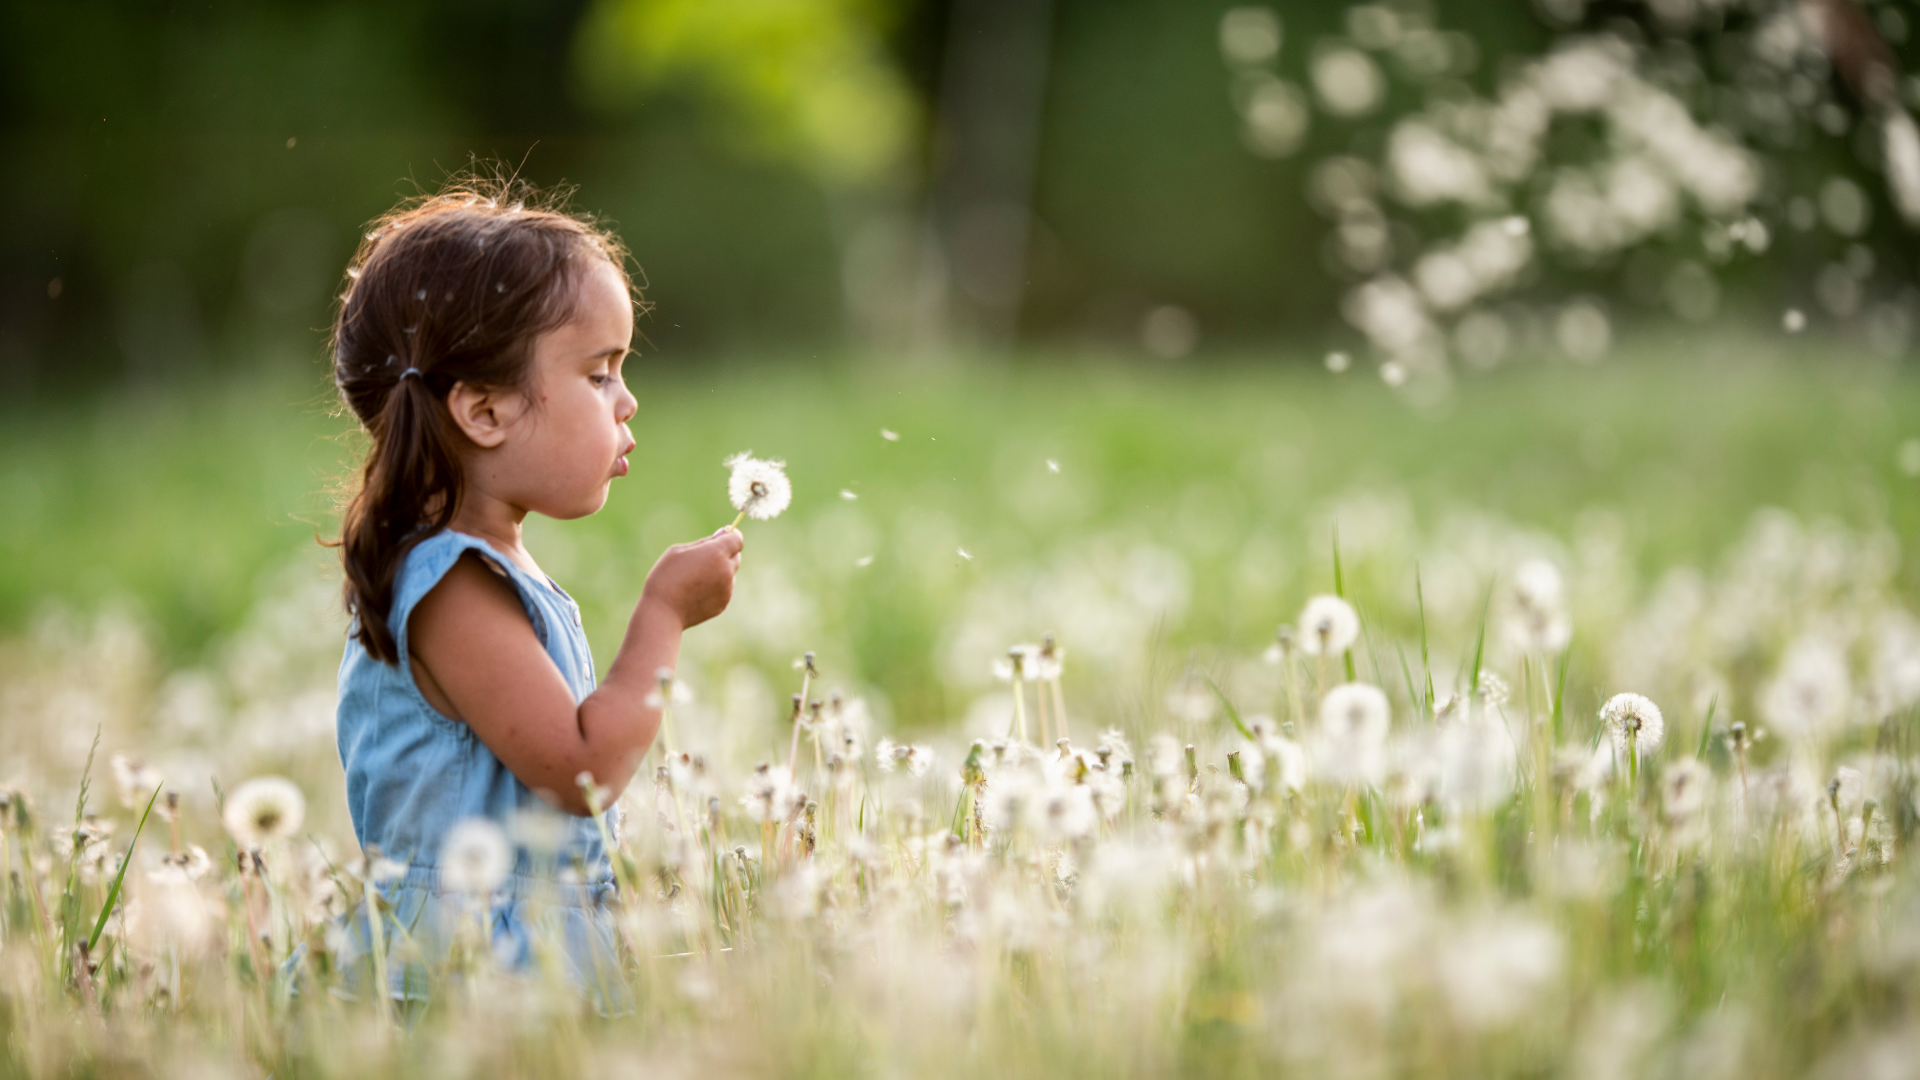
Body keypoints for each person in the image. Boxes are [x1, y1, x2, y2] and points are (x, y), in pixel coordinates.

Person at [310, 177, 741, 1009]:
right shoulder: (452, 589)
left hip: (519, 967)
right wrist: (662, 614)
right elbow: (580, 771)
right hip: (463, 982)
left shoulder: (479, 570)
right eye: (599, 373)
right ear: (484, 410)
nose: (628, 400)